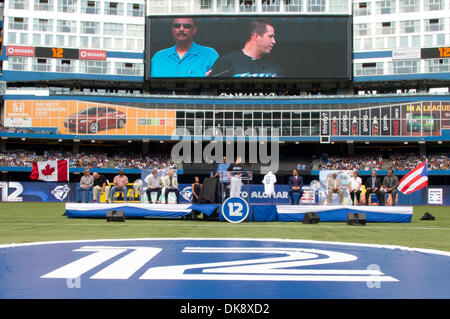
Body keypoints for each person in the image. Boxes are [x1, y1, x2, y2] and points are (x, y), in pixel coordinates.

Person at [209, 20, 283, 78]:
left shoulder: (274, 67)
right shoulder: (226, 62)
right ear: (256, 36)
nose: (274, 41)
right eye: (270, 36)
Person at [151, 17, 219, 77]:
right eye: (177, 26)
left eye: (186, 26)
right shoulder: (158, 57)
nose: (181, 29)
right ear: (172, 29)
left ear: (194, 30)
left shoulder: (210, 55)